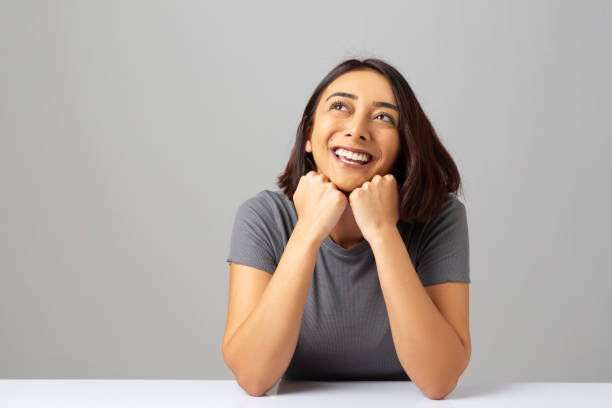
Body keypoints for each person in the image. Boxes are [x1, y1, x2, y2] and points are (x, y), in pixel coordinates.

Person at [222, 58, 471, 400]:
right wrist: (308, 230)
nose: (357, 129)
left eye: (383, 117)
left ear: (402, 146)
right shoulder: (262, 217)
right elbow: (253, 376)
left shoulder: (440, 218)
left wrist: (383, 232)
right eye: (340, 106)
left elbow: (439, 380)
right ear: (309, 135)